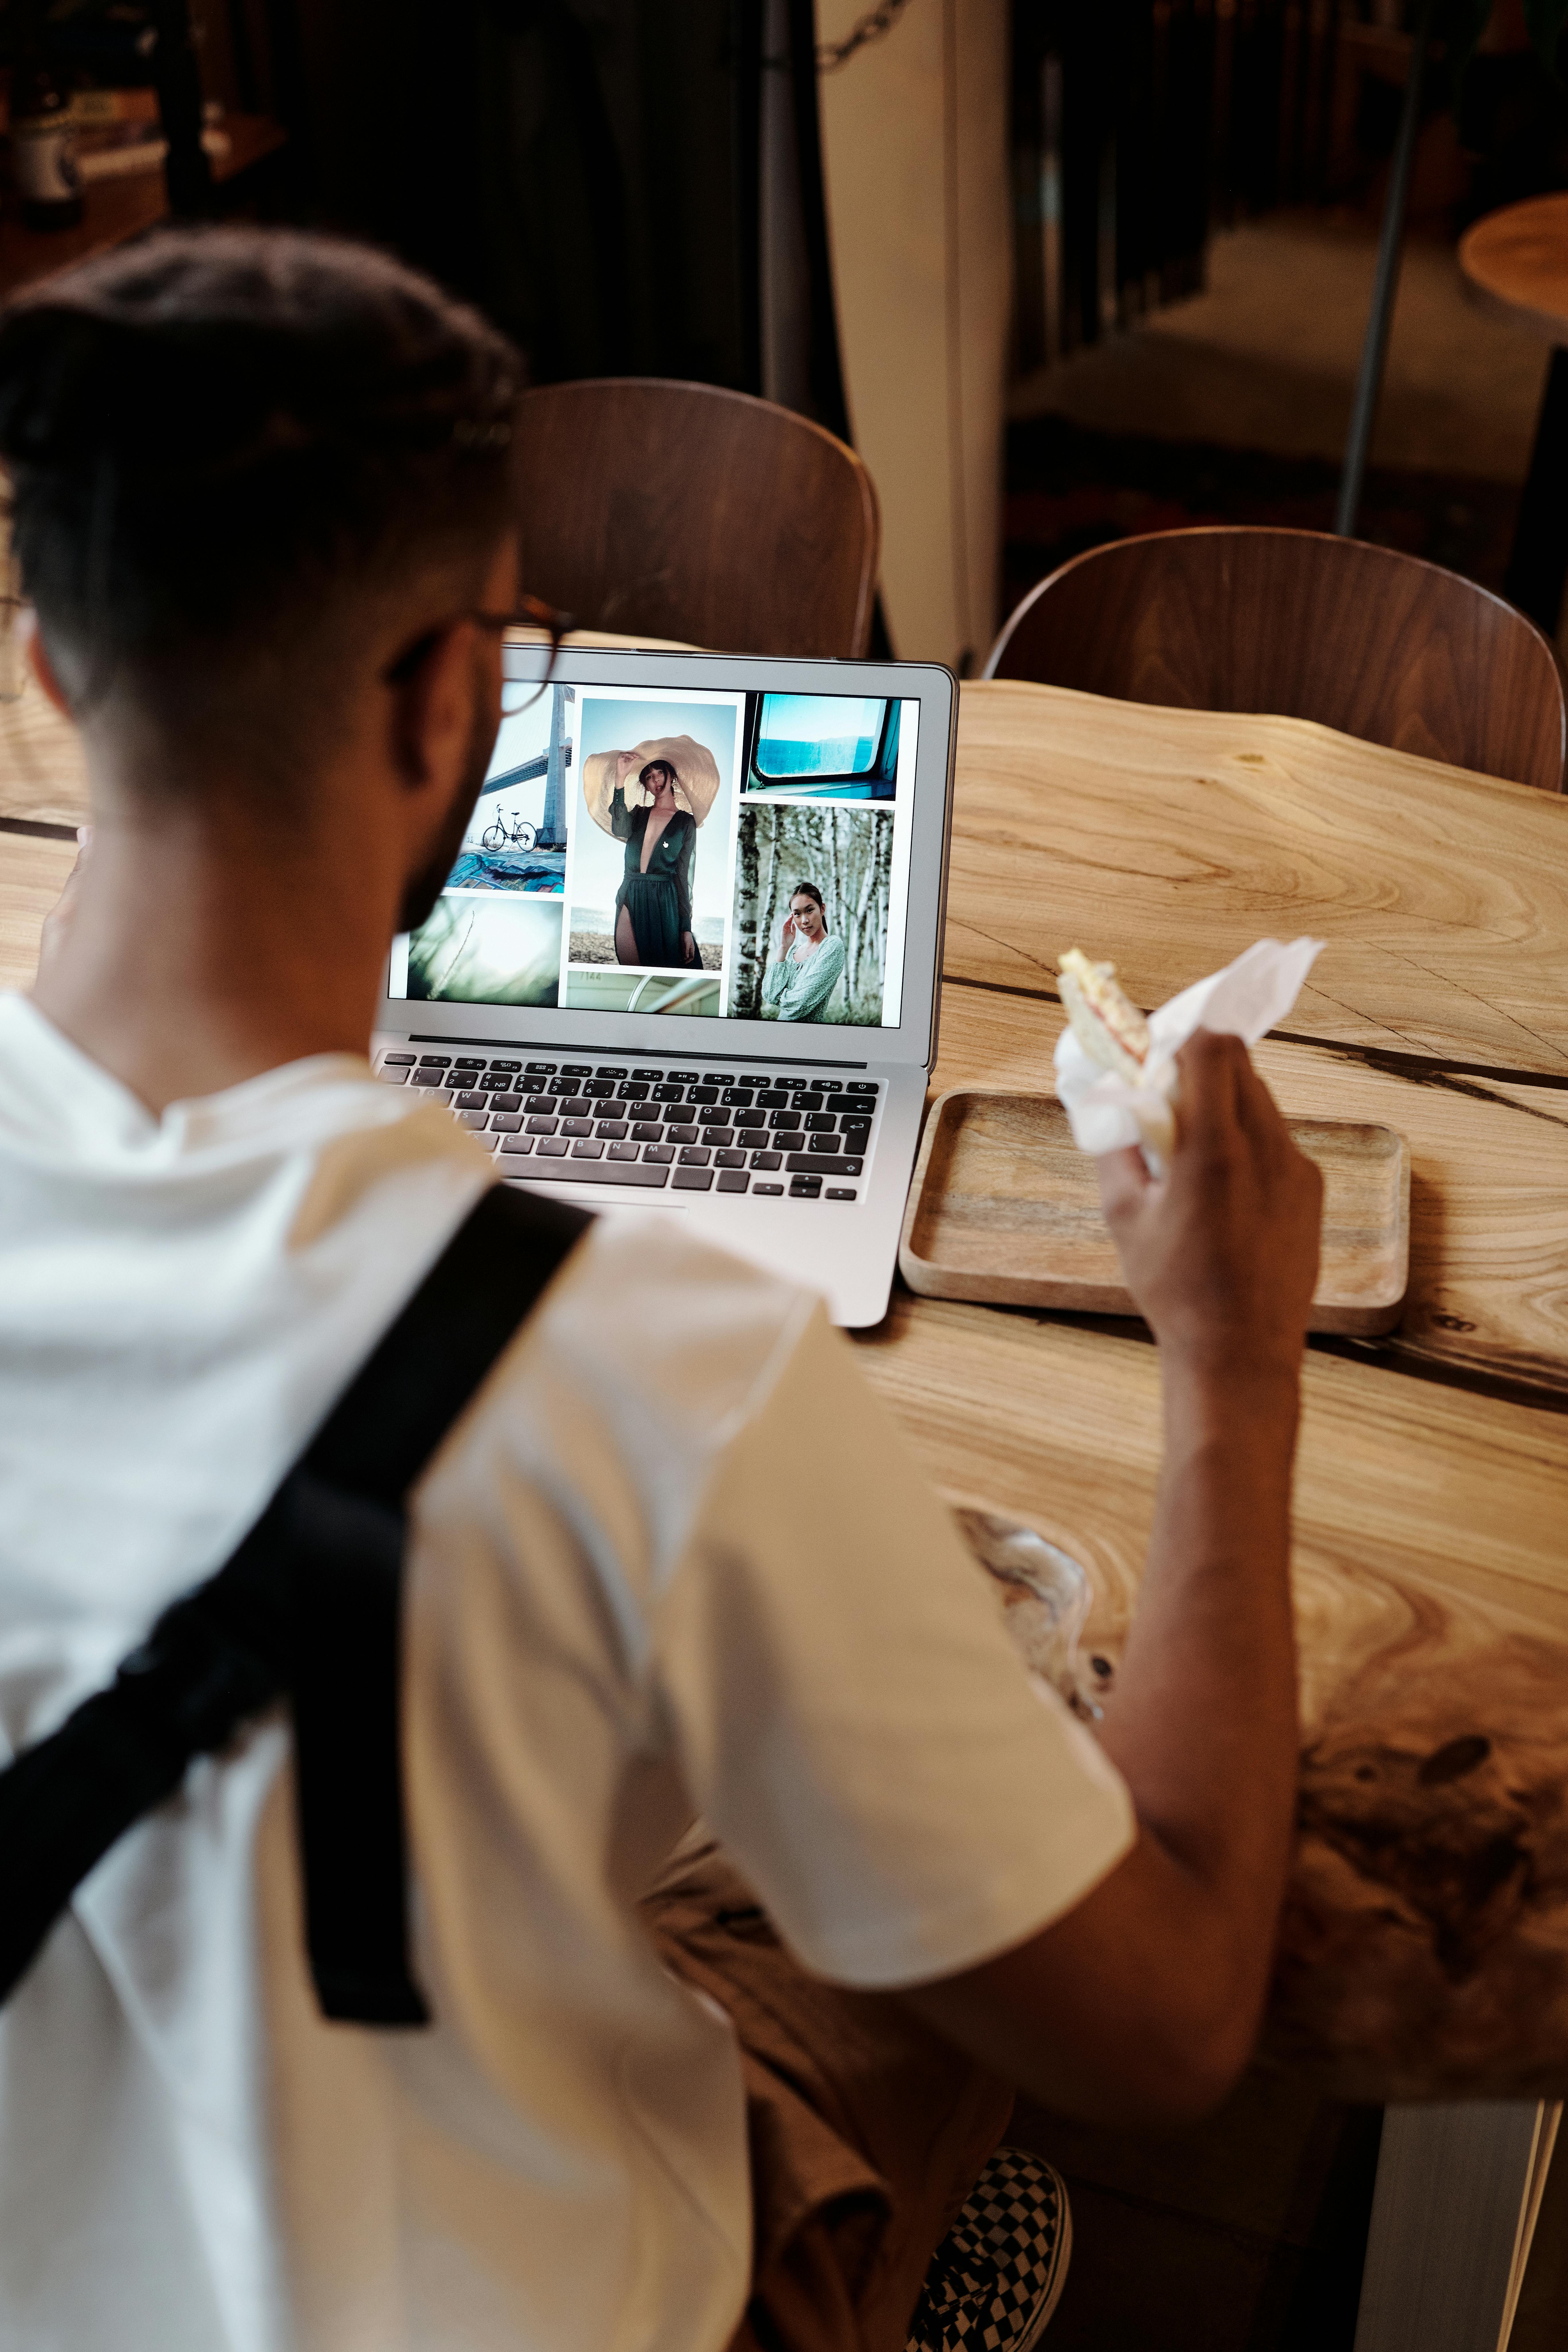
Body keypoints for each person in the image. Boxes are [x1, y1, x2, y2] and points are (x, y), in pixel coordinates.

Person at [0, 225, 1322, 2352]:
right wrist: (1235, 1370)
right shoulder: (651, 1365)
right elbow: (1167, 2032)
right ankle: (894, 2258)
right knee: (900, 1849)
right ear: (459, 699)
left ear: (54, 675)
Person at [612, 756, 703, 968]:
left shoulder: (686, 822)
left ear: (671, 775)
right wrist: (620, 778)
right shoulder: (639, 814)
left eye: (660, 773)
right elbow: (619, 829)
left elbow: (684, 876)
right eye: (649, 777)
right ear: (646, 785)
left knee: (667, 965)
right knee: (630, 966)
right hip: (630, 891)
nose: (656, 780)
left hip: (665, 900)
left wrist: (686, 928)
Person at [762, 879, 847, 1021]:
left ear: (822, 909)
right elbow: (770, 995)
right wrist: (784, 948)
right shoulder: (792, 952)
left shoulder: (832, 947)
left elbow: (800, 1005)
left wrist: (781, 999)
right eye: (797, 914)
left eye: (810, 910)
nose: (805, 920)